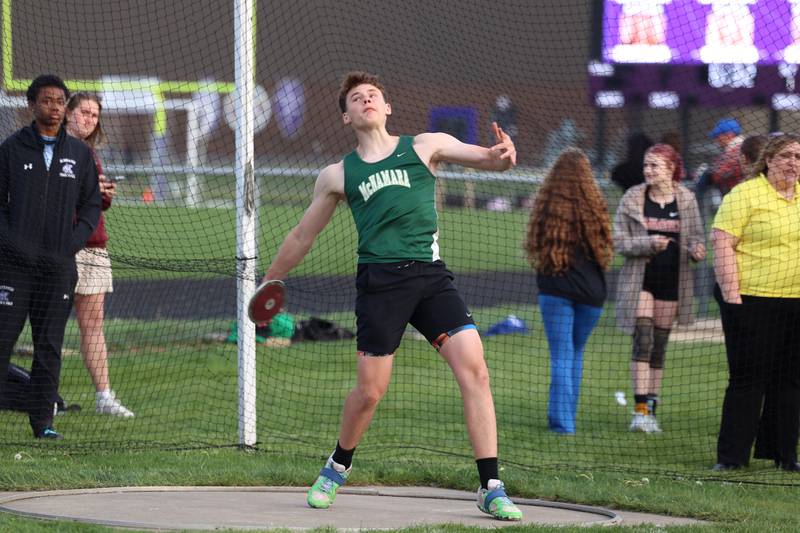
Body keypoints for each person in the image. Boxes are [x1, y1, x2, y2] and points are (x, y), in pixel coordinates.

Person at [261, 71, 523, 520]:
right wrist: (271, 281)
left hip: (430, 279)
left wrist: (505, 155)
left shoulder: (426, 145)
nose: (366, 101)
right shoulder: (338, 174)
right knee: (370, 392)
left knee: (475, 369)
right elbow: (303, 235)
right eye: (356, 98)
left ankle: (491, 485)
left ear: (387, 108)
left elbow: (491, 161)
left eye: (373, 95)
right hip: (380, 285)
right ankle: (336, 466)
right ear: (346, 116)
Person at [0, 74, 101, 439]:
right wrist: (16, 246)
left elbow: (91, 204)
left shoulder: (79, 154)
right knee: (3, 340)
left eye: (60, 102)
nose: (55, 108)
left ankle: (43, 423)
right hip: (14, 268)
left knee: (48, 346)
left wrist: (70, 243)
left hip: (57, 269)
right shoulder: (11, 150)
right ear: (31, 106)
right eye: (47, 101)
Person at [712, 133, 800, 472]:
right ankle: (732, 458)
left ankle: (784, 455)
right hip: (752, 301)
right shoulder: (745, 194)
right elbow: (721, 244)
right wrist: (733, 298)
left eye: (797, 156)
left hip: (794, 302)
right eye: (785, 156)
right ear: (768, 160)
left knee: (790, 381)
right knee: (748, 380)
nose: (793, 162)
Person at [613, 143, 705, 433]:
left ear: (671, 169)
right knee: (643, 341)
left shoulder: (687, 199)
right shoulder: (633, 197)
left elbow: (697, 238)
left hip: (673, 283)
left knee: (659, 349)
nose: (648, 171)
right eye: (646, 165)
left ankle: (652, 411)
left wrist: (697, 250)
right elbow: (619, 242)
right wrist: (647, 244)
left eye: (654, 166)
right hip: (640, 281)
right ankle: (639, 411)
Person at [523, 148, 613, 434]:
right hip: (592, 294)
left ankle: (563, 425)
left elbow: (535, 246)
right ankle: (566, 418)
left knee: (562, 355)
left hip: (556, 291)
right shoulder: (596, 206)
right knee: (575, 352)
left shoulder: (547, 207)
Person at [64, 92, 134, 417]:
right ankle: (44, 396)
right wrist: (93, 192)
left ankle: (104, 396)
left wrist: (103, 194)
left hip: (93, 247)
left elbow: (94, 203)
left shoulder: (91, 154)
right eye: (84, 113)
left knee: (93, 324)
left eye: (95, 115)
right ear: (68, 114)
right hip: (61, 247)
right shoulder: (54, 149)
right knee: (45, 322)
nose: (90, 120)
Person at [709, 118, 745, 197]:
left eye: (718, 136)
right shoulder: (736, 147)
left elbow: (717, 175)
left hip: (739, 194)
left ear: (729, 135)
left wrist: (708, 173)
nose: (716, 140)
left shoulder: (737, 149)